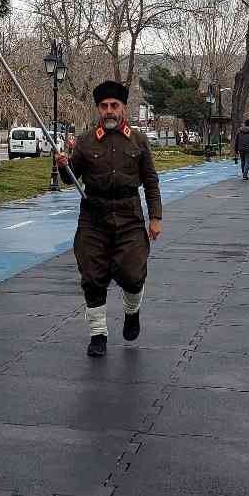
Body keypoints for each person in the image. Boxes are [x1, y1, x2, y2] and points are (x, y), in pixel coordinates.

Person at [56, 81, 163, 358]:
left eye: (114, 106)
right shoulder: (86, 141)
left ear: (123, 108)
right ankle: (98, 334)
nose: (109, 111)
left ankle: (131, 312)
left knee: (133, 274)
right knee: (92, 277)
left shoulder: (138, 140)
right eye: (104, 106)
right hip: (94, 217)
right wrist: (63, 164)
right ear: (98, 109)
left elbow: (150, 181)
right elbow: (72, 179)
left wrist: (155, 217)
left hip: (129, 216)